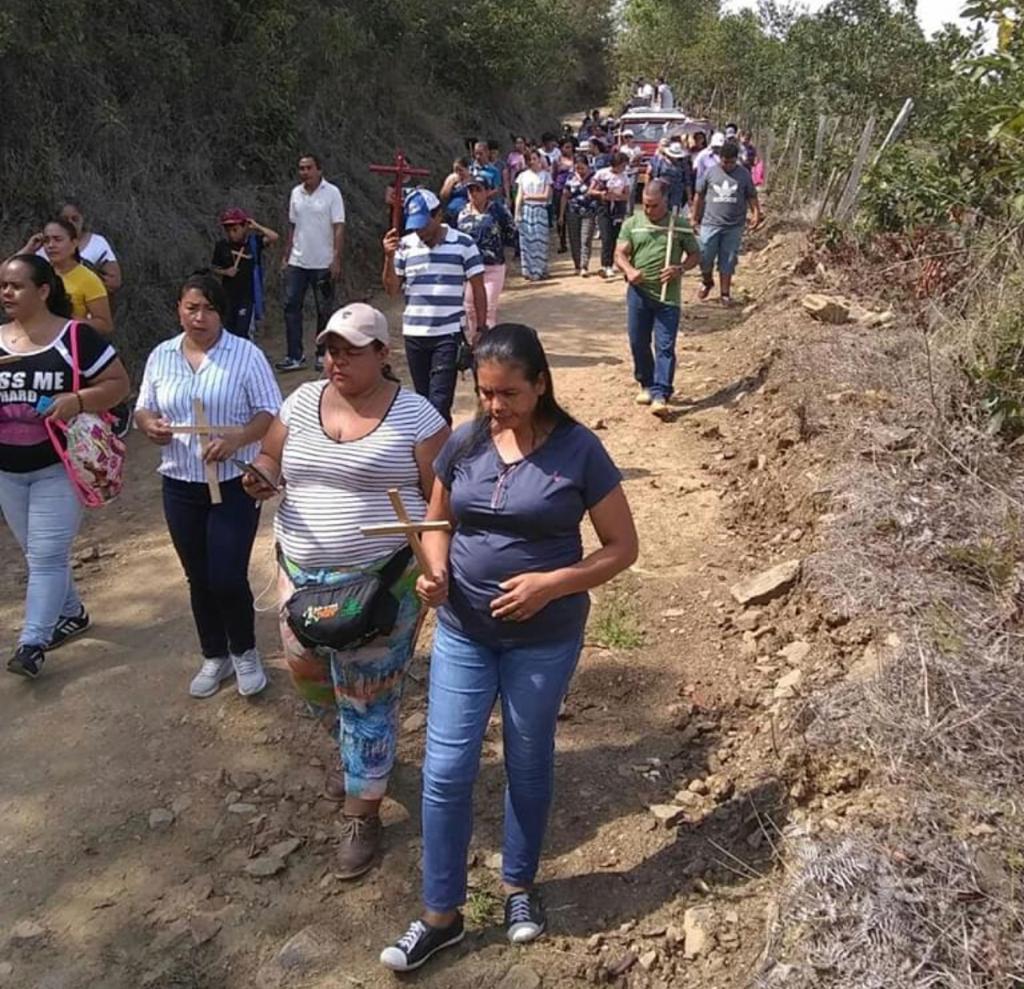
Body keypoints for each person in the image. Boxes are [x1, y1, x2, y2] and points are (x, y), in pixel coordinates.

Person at [379, 323, 639, 972]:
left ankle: (520, 886)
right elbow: (439, 522)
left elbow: (621, 548)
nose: (495, 405)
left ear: (541, 384)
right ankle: (440, 912)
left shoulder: (580, 451)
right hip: (466, 630)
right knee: (445, 770)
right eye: (485, 391)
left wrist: (553, 583)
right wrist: (434, 570)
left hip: (543, 639)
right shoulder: (464, 442)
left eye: (509, 393)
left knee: (527, 757)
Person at [243, 302, 449, 877]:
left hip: (383, 582)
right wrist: (261, 473)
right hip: (301, 575)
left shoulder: (418, 418)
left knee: (367, 695)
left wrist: (438, 565)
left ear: (383, 354)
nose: (337, 359)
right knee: (309, 677)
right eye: (331, 348)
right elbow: (272, 454)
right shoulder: (301, 401)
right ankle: (362, 758)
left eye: (351, 350)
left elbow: (441, 499)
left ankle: (363, 811)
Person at [135, 274, 281, 698]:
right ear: (178, 308)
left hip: (235, 482)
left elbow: (270, 411)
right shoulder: (161, 356)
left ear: (222, 312)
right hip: (180, 482)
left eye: (209, 309)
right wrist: (151, 426)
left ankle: (245, 651)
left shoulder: (245, 355)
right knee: (197, 575)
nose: (199, 318)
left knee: (227, 574)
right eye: (191, 308)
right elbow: (145, 407)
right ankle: (213, 655)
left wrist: (237, 438)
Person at [0, 255, 130, 678]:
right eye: (3, 285)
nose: (6, 293)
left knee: (47, 556)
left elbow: (118, 385)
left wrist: (76, 401)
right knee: (37, 552)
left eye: (16, 286)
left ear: (42, 290)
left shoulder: (76, 338)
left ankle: (32, 642)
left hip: (59, 467)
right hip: (8, 471)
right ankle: (72, 613)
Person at [382, 190, 486, 423]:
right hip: (414, 334)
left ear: (438, 215)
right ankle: (432, 453)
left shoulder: (463, 243)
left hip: (447, 334)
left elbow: (478, 287)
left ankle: (440, 455)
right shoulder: (404, 246)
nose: (420, 231)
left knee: (439, 403)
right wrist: (388, 258)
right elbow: (391, 290)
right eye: (415, 225)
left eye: (424, 224)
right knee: (423, 401)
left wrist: (480, 327)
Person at [614, 179, 701, 416]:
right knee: (638, 341)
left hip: (667, 298)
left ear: (667, 201)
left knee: (664, 346)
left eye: (654, 205)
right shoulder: (633, 224)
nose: (649, 210)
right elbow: (619, 253)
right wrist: (630, 270)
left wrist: (679, 269)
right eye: (646, 205)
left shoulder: (679, 226)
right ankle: (646, 383)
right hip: (639, 294)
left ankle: (661, 393)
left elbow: (695, 254)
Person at [277, 154, 346, 373]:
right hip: (298, 260)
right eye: (301, 168)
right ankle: (294, 355)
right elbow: (292, 225)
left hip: (323, 261)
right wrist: (286, 254)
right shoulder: (296, 193)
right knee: (291, 305)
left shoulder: (332, 193)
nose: (304, 172)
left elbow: (339, 227)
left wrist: (336, 258)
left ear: (319, 170)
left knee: (323, 308)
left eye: (308, 168)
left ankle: (321, 353)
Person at [692, 141, 764, 306]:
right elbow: (699, 196)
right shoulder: (710, 173)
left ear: (736, 159)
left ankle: (725, 293)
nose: (728, 165)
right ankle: (707, 280)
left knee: (728, 259)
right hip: (710, 223)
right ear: (720, 159)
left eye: (731, 162)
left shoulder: (744, 174)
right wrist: (694, 218)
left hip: (734, 225)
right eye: (725, 162)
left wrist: (756, 214)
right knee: (704, 255)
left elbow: (751, 196)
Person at [21, 218, 114, 336]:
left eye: (57, 240)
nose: (51, 245)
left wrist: (67, 319)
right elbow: (6, 276)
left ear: (74, 243)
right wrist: (28, 249)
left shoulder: (88, 279)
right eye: (46, 240)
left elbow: (105, 325)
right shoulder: (40, 272)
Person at [211, 208, 279, 340]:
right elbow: (214, 267)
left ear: (244, 227)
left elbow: (274, 237)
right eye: (228, 230)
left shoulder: (254, 243)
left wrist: (256, 226)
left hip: (247, 297)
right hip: (228, 295)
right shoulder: (222, 246)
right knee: (227, 332)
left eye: (235, 229)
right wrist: (225, 271)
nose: (231, 234)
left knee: (244, 332)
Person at [458, 179, 515, 337]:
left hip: (492, 267)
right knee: (469, 308)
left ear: (487, 192)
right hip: (469, 270)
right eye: (471, 190)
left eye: (478, 189)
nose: (474, 193)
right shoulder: (462, 213)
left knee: (488, 308)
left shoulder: (498, 210)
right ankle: (475, 342)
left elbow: (511, 232)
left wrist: (507, 257)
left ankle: (488, 345)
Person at [56, 202, 122, 292]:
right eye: (65, 219)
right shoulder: (48, 245)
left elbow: (114, 282)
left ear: (82, 220)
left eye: (75, 219)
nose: (70, 223)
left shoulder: (98, 242)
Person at [590, 152, 631, 279]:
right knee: (606, 237)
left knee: (615, 237)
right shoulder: (602, 174)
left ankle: (611, 264)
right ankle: (605, 264)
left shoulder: (624, 177)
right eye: (623, 165)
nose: (624, 168)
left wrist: (617, 196)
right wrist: (601, 194)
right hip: (604, 208)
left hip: (618, 209)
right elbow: (590, 190)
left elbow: (627, 195)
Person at [514, 151, 553, 282]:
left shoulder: (546, 176)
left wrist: (529, 197)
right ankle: (528, 270)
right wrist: (517, 213)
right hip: (526, 211)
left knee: (540, 241)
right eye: (529, 159)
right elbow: (519, 195)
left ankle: (540, 270)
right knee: (526, 241)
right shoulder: (522, 176)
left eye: (534, 158)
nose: (532, 162)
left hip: (540, 211)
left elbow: (546, 196)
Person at [561, 155, 599, 277]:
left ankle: (584, 266)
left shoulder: (594, 177)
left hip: (589, 211)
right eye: (577, 168)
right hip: (572, 211)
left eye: (582, 168)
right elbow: (565, 195)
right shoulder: (570, 177)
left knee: (586, 239)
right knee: (574, 240)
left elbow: (592, 192)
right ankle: (577, 264)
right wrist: (561, 215)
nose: (580, 171)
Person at [648, 140, 693, 213]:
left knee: (674, 210)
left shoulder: (683, 165)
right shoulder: (660, 161)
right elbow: (654, 176)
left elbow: (687, 181)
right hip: (662, 190)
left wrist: (689, 197)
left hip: (677, 192)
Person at [552, 140, 576, 253]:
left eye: (570, 147)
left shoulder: (577, 160)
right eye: (566, 147)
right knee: (560, 217)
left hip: (573, 191)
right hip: (559, 190)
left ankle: (574, 241)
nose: (568, 149)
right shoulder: (557, 161)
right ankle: (562, 242)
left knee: (573, 215)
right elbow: (553, 176)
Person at [440, 158, 473, 226]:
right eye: (456, 170)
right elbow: (443, 196)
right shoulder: (451, 178)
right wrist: (450, 184)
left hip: (465, 211)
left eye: (460, 170)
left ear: (467, 169)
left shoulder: (473, 179)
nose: (458, 173)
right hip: (451, 210)